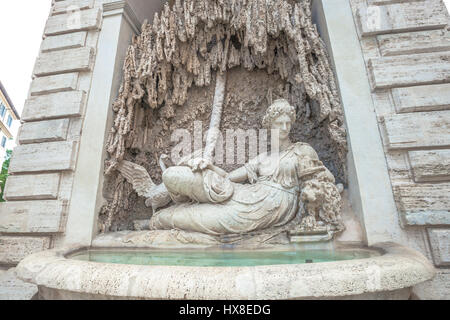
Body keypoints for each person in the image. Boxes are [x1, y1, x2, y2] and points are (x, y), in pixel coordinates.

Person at [149, 99, 342, 235]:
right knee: (172, 175)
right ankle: (161, 214)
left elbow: (324, 179)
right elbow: (228, 178)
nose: (284, 128)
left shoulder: (302, 150)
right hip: (243, 194)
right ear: (270, 126)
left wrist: (327, 192)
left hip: (266, 208)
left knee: (179, 218)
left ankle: (154, 221)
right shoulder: (262, 158)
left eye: (287, 123)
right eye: (279, 123)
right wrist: (208, 166)